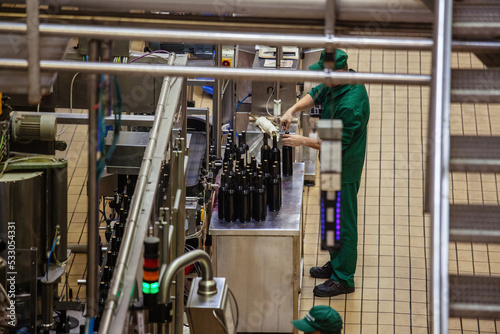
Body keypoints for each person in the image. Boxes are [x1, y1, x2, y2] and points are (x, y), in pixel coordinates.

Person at [280, 49, 370, 297]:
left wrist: (301, 140)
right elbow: (314, 94)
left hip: (344, 165)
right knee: (331, 212)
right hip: (331, 158)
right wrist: (292, 110)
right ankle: (335, 262)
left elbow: (334, 143)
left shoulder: (352, 103)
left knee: (345, 221)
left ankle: (344, 278)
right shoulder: (335, 82)